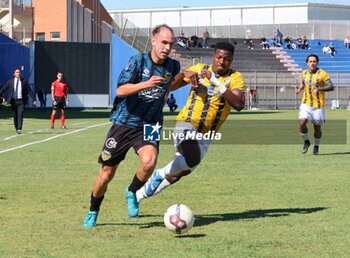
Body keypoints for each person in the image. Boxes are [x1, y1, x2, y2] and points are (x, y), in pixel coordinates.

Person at [82, 24, 198, 228]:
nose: (167, 47)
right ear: (153, 41)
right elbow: (120, 91)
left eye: (170, 44)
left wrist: (187, 78)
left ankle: (132, 191)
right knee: (106, 173)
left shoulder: (172, 66)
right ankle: (93, 210)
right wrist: (146, 84)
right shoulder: (137, 61)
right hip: (124, 123)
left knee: (149, 161)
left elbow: (169, 85)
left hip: (150, 123)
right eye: (163, 42)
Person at [134, 42, 246, 214]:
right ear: (213, 56)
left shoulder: (236, 78)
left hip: (207, 135)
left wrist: (215, 81)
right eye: (219, 57)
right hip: (186, 123)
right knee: (190, 159)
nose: (222, 62)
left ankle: (139, 195)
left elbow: (238, 104)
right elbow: (170, 86)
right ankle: (159, 174)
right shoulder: (200, 68)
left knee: (181, 172)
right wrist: (184, 74)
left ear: (231, 61)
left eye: (227, 59)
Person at [295, 54, 334, 155]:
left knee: (317, 128)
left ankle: (316, 145)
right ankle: (306, 142)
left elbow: (331, 86)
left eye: (314, 61)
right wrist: (299, 88)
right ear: (307, 63)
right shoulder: (304, 73)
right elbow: (303, 83)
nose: (312, 63)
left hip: (318, 106)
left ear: (317, 62)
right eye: (310, 61)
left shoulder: (322, 74)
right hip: (306, 103)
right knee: (302, 122)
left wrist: (319, 88)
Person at [0, 68, 36, 134]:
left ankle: (19, 128)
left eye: (19, 72)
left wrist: (34, 99)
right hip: (13, 101)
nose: (18, 73)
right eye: (17, 72)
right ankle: (16, 128)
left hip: (21, 101)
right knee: (15, 115)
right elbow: (4, 89)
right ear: (14, 74)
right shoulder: (10, 81)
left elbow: (29, 91)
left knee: (20, 114)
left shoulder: (24, 81)